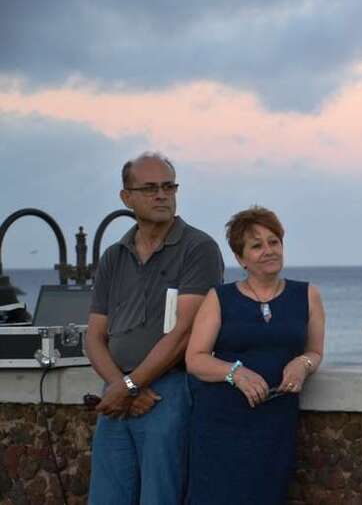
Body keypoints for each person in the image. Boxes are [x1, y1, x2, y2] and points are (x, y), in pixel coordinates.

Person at [85, 152, 224, 504]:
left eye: (168, 186)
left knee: (160, 496)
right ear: (126, 197)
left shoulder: (198, 248)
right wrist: (121, 387)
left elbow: (184, 333)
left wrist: (130, 386)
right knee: (107, 497)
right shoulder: (114, 256)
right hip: (118, 391)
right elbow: (95, 336)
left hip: (168, 391)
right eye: (150, 188)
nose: (162, 195)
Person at [185, 206, 325, 505]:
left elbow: (314, 351)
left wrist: (302, 364)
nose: (269, 250)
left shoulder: (308, 295)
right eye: (257, 245)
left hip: (275, 422)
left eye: (274, 242)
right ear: (241, 258)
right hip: (221, 423)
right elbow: (195, 359)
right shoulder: (219, 297)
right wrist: (235, 372)